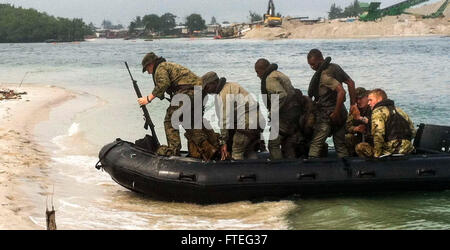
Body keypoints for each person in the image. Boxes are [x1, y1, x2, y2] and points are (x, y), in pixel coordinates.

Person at [138, 52, 215, 158]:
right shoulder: (168, 66)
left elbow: (163, 84)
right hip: (199, 93)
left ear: (151, 64)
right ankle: (208, 147)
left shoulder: (161, 67)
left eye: (147, 69)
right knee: (189, 122)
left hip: (188, 92)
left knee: (170, 119)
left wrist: (148, 99)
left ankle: (174, 150)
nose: (148, 72)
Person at [202, 71, 265, 160]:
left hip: (248, 123)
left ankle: (238, 172)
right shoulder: (231, 85)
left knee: (237, 150)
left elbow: (224, 121)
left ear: (214, 83)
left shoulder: (223, 95)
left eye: (207, 87)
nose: (206, 91)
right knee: (248, 151)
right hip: (257, 120)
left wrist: (223, 142)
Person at [306, 49, 356, 158]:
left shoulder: (325, 76)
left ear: (321, 60)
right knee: (340, 143)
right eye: (310, 65)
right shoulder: (335, 67)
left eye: (314, 64)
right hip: (341, 112)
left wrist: (335, 112)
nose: (312, 67)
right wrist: (353, 104)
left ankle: (310, 166)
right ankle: (346, 168)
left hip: (328, 114)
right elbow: (351, 83)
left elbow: (341, 92)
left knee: (316, 144)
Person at [255, 58, 303, 160]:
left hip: (284, 117)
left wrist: (272, 113)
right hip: (294, 115)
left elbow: (281, 95)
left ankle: (278, 167)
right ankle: (292, 164)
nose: (257, 75)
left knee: (273, 144)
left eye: (257, 72)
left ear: (262, 69)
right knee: (288, 143)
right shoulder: (279, 74)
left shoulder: (270, 79)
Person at [355, 89, 416, 158]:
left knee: (360, 147)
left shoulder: (378, 112)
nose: (368, 103)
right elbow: (413, 131)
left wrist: (377, 154)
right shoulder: (400, 110)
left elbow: (378, 134)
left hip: (390, 150)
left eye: (370, 100)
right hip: (408, 148)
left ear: (379, 99)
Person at [345, 87, 372, 156]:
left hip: (373, 138)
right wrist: (356, 129)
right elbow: (347, 127)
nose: (358, 101)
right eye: (356, 99)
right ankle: (352, 158)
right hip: (361, 138)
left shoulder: (373, 107)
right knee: (348, 137)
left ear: (367, 97)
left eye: (360, 98)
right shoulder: (354, 110)